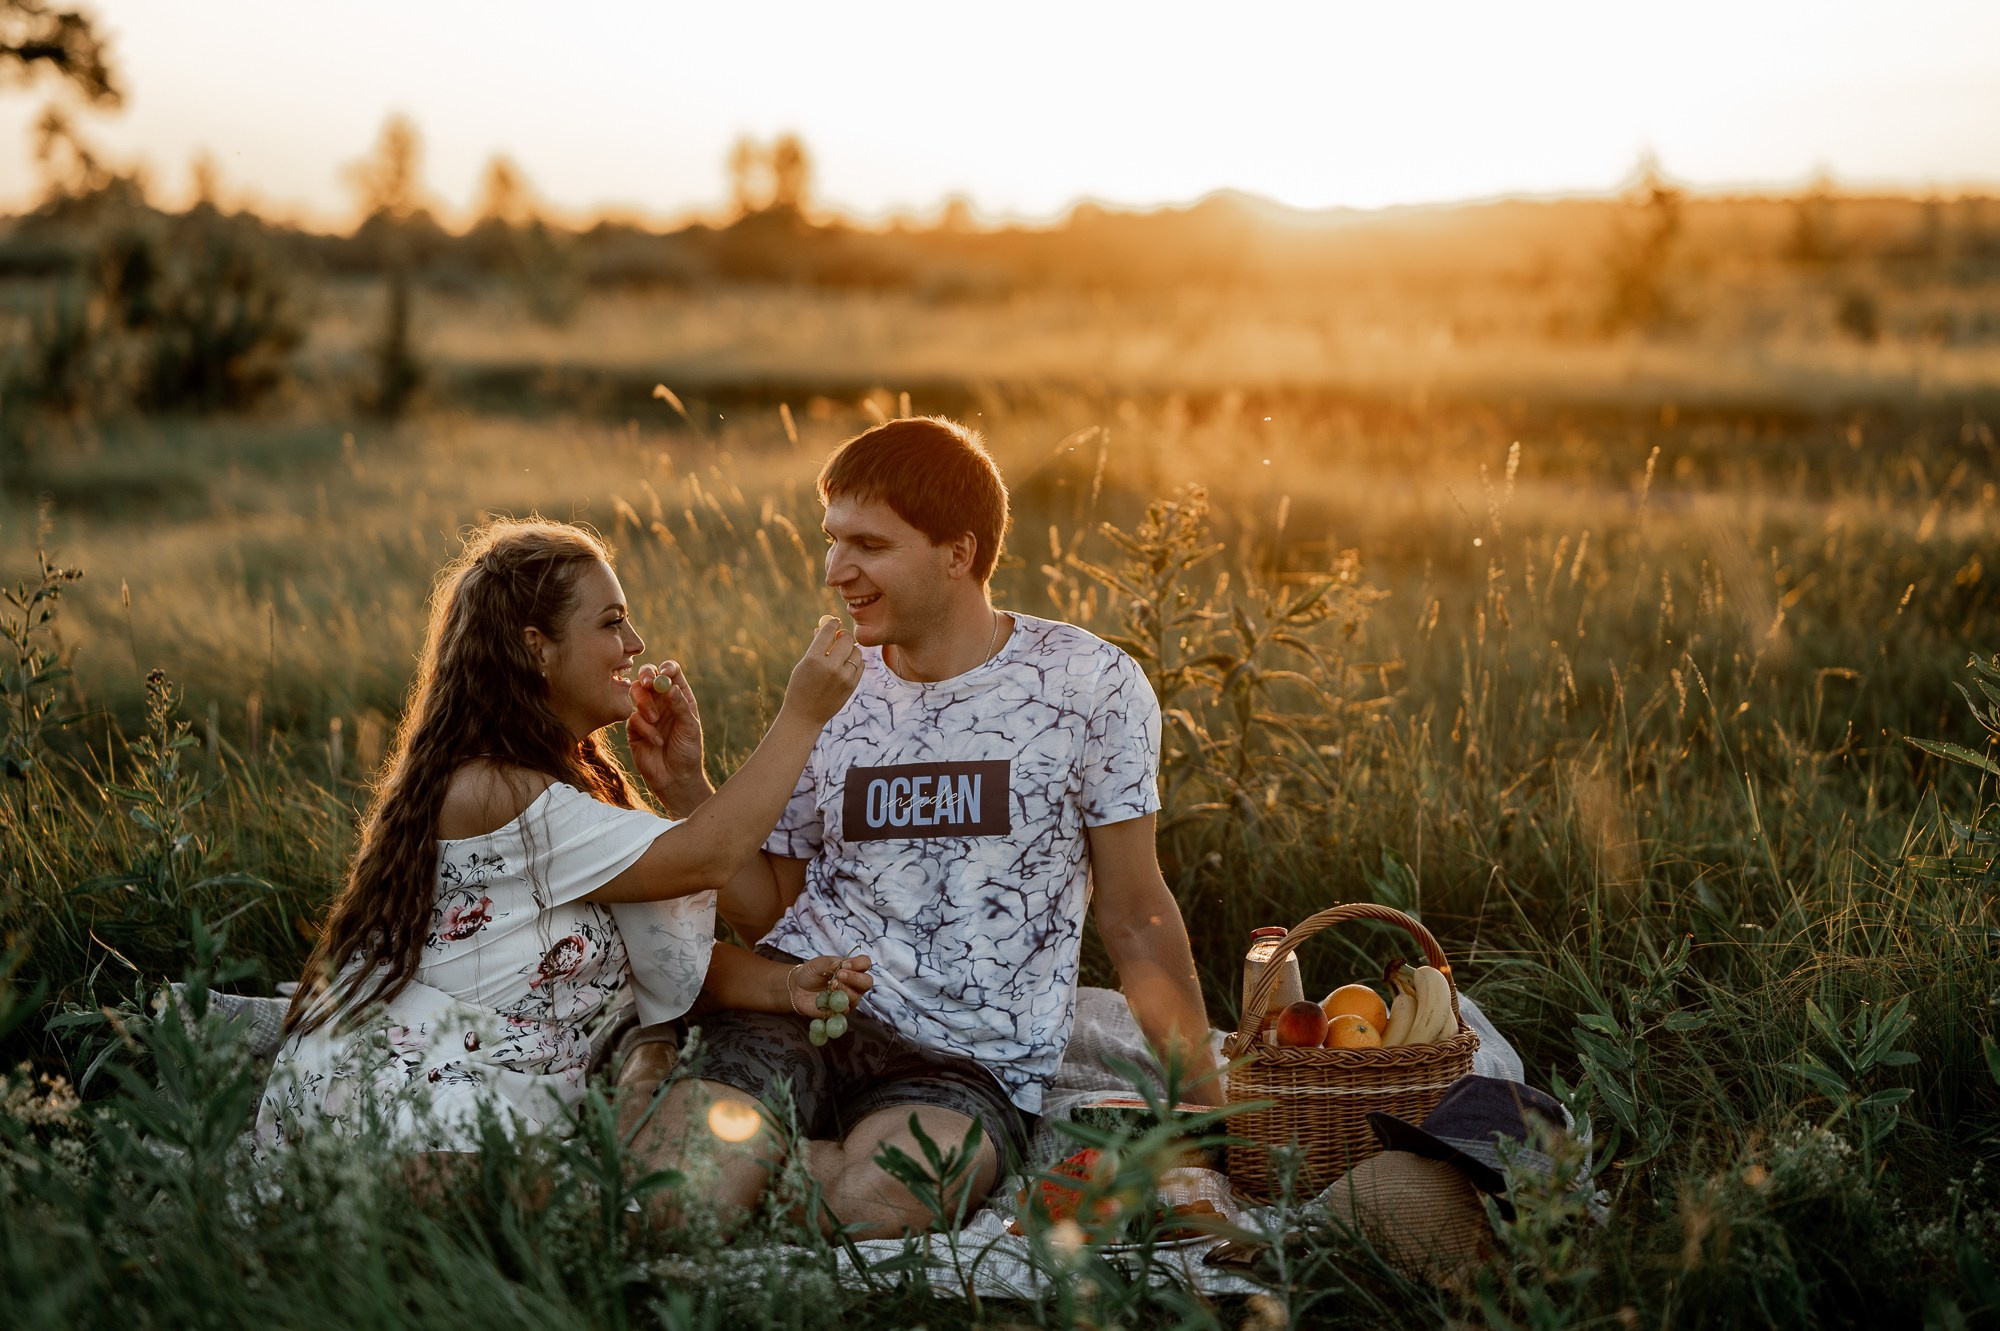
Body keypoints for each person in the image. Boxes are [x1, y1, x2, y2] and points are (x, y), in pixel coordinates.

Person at [627, 417, 1223, 1237]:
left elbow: (1134, 913)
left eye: (868, 545)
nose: (837, 571)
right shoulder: (830, 688)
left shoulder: (1088, 684)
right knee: (675, 1196)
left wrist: (1208, 1106)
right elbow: (772, 909)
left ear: (959, 553)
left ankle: (763, 1172)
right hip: (797, 1011)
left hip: (966, 1064)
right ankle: (735, 1167)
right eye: (833, 540)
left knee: (880, 1201)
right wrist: (688, 785)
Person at [257, 518, 872, 1152]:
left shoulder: (568, 787)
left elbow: (659, 955)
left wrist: (787, 985)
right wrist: (803, 713)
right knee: (601, 1207)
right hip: (396, 1093)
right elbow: (707, 857)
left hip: (494, 1091)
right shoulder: (491, 791)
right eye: (611, 622)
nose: (634, 643)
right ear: (537, 648)